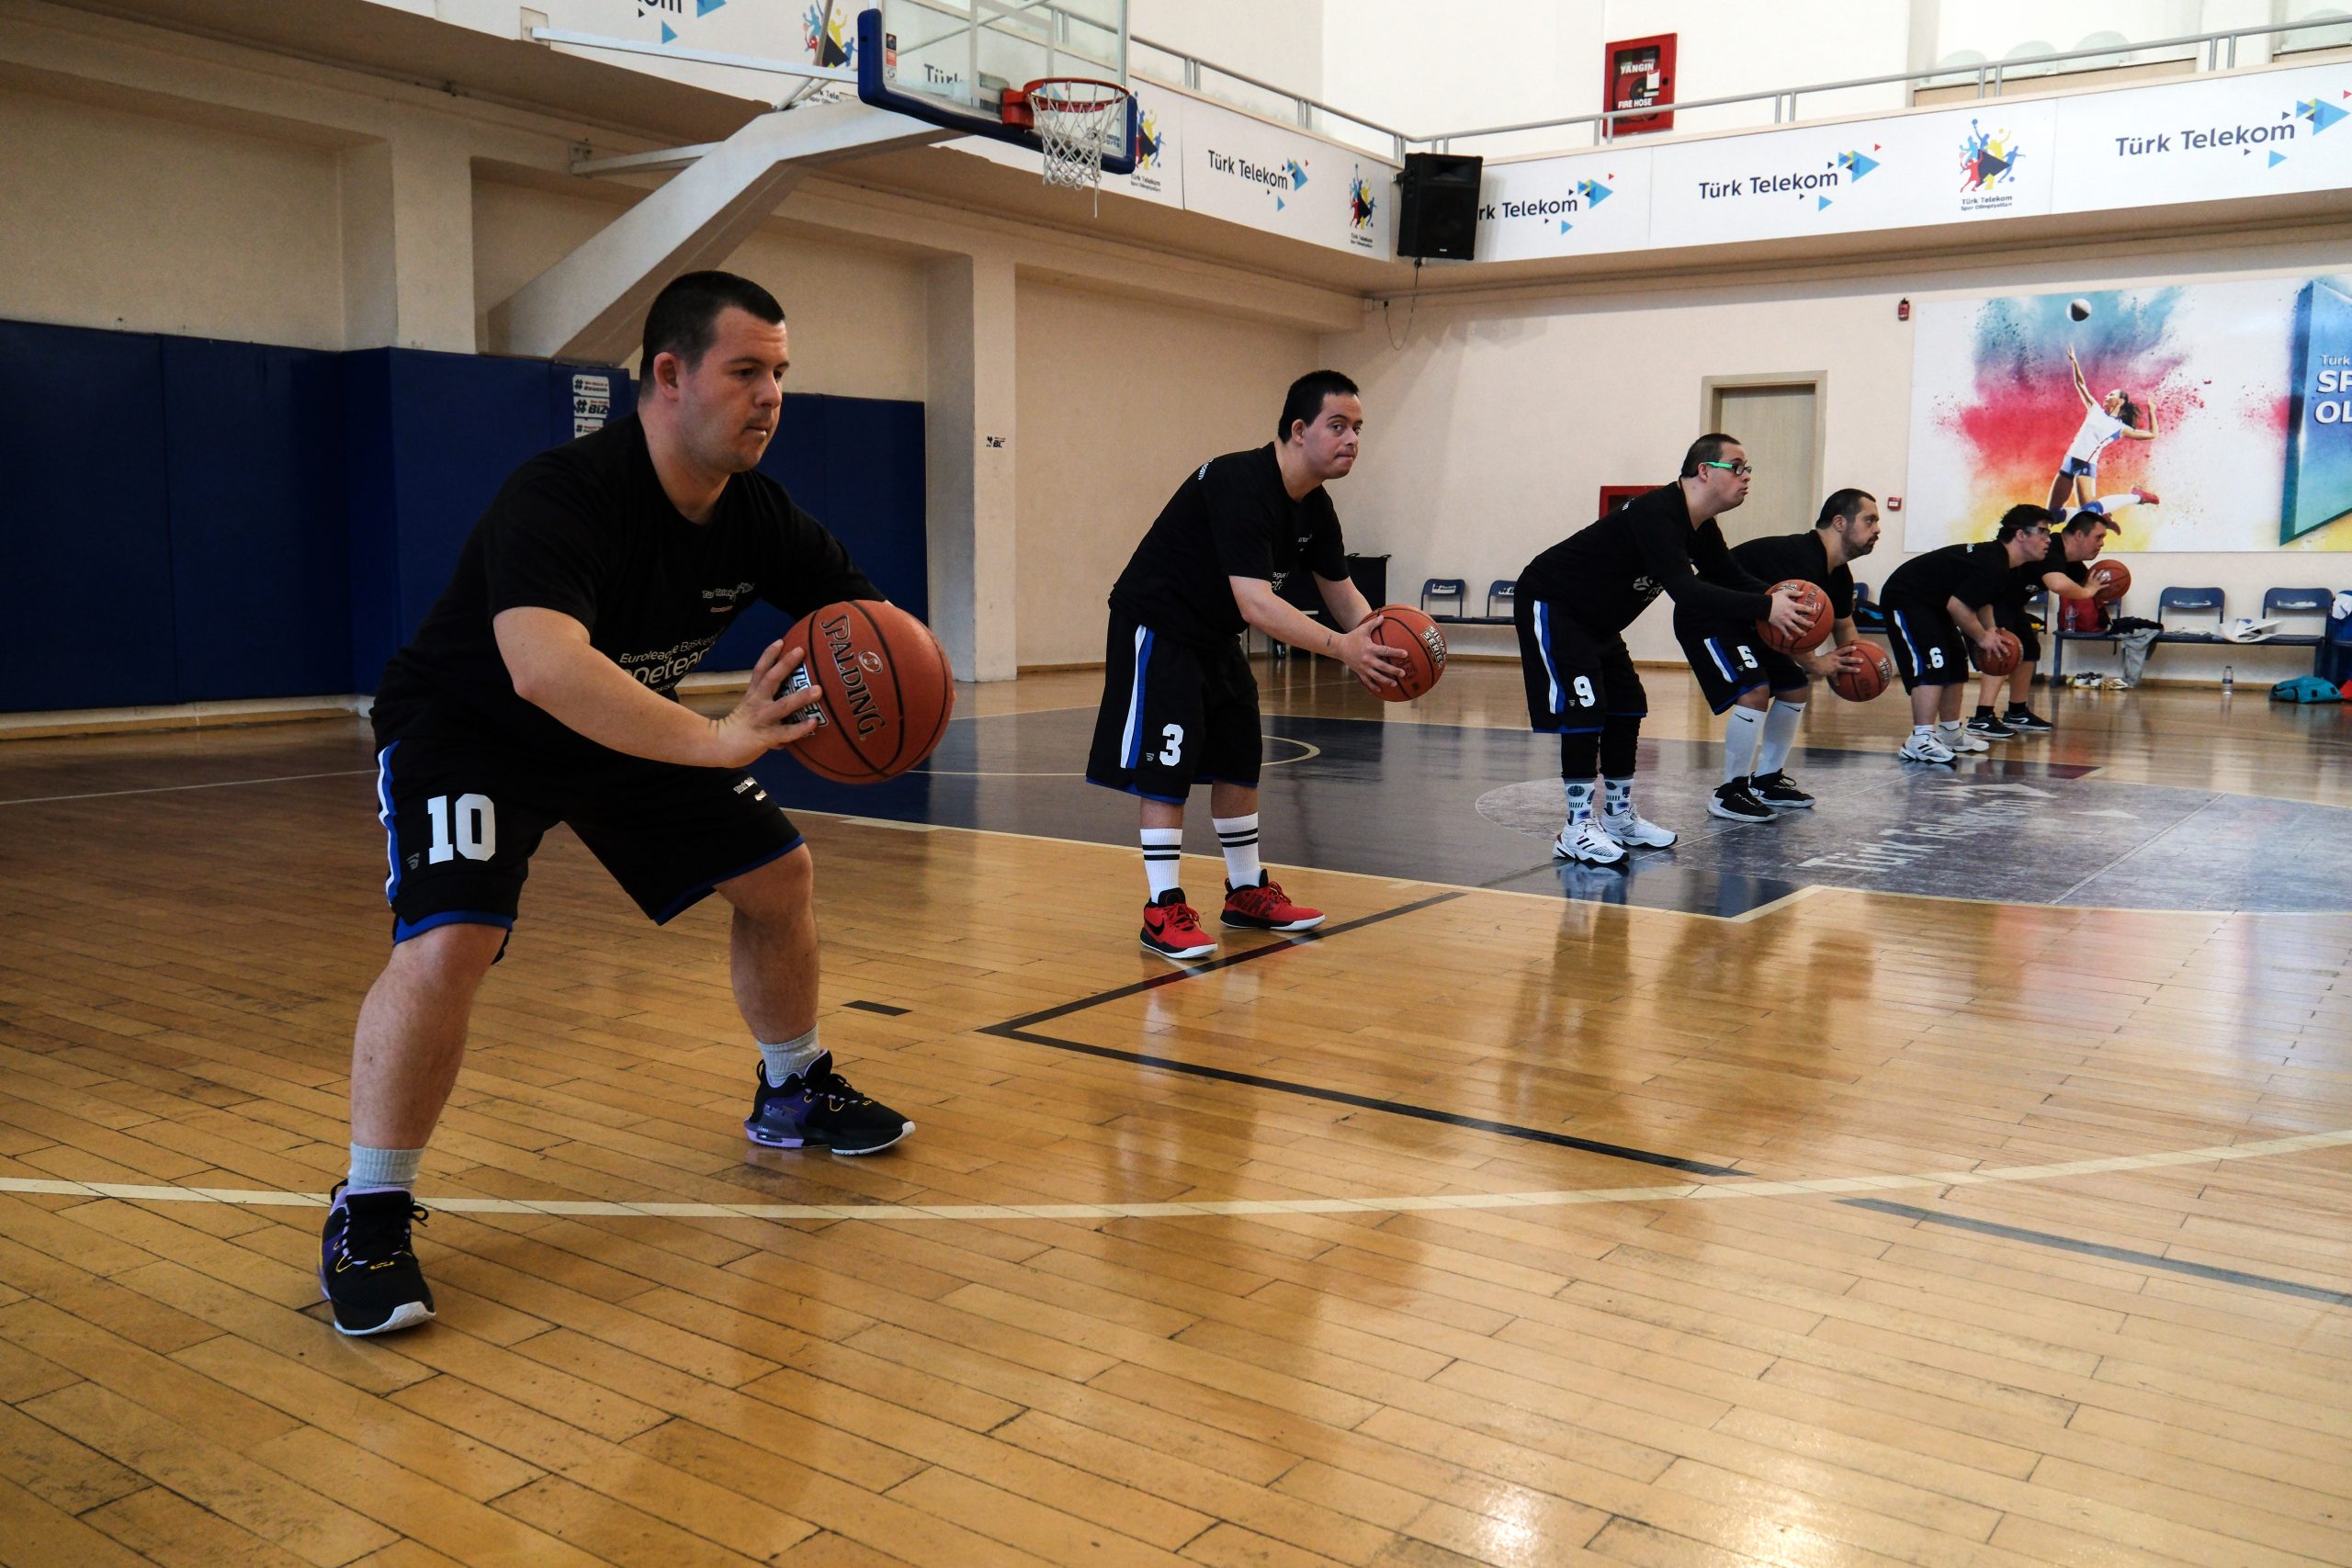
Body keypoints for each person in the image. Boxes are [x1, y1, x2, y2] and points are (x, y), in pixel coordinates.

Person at [322, 271, 914, 1337]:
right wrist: (719, 738)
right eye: (746, 372)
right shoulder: (562, 494)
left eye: (780, 374)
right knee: (451, 942)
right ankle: (369, 1207)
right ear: (670, 374)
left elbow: (866, 615)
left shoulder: (759, 514)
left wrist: (904, 672)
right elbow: (545, 669)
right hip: (476, 728)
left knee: (778, 875)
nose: (771, 396)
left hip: (623, 723)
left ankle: (792, 1089)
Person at [1084, 370, 1408, 962]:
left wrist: (1383, 644)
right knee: (1168, 762)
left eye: (1358, 428)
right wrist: (1344, 650)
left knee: (1239, 757)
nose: (1352, 440)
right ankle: (1163, 908)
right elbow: (1257, 604)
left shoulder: (1316, 508)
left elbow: (1341, 592)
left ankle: (1245, 892)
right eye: (1338, 426)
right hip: (1158, 623)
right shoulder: (1240, 481)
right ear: (1298, 430)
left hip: (1214, 634)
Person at [1514, 434, 1812, 865]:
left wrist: (1782, 599)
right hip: (1554, 603)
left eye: (1749, 469)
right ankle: (1576, 828)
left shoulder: (1701, 527)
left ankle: (1617, 818)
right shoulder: (1658, 512)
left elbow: (1727, 575)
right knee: (1586, 707)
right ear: (1704, 471)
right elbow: (1687, 592)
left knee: (1628, 705)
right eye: (1737, 466)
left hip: (1598, 620)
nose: (1747, 476)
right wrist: (1767, 606)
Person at [1673, 488, 1881, 821]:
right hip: (1707, 615)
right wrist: (1816, 663)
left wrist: (1853, 662)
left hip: (1751, 623)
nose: (1877, 530)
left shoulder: (1839, 574)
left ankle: (1767, 780)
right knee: (1755, 689)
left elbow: (1843, 626)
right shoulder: (1800, 556)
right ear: (1840, 522)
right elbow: (1791, 629)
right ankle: (1729, 792)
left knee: (1794, 686)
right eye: (1870, 520)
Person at [1879, 505, 2052, 763]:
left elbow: (1983, 601)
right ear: (2020, 535)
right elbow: (1958, 607)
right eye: (2042, 531)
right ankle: (1920, 738)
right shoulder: (1993, 563)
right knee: (1934, 661)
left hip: (1933, 603)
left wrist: (1991, 628)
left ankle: (1949, 732)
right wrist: (1982, 637)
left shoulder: (2003, 565)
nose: (2048, 539)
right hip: (1907, 598)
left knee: (1957, 660)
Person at [1969, 506, 2115, 738]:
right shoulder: (2052, 547)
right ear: (2079, 535)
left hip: (2011, 603)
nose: (2101, 544)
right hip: (1990, 600)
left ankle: (2017, 711)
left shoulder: (2072, 563)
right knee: (2001, 650)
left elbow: (2089, 586)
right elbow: (2058, 584)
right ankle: (1982, 716)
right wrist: (2088, 592)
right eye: (2098, 537)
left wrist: (2104, 587)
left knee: (2030, 649)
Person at [2047, 344, 2158, 515]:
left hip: (2085, 464)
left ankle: (2137, 497)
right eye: (2107, 395)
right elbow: (2080, 384)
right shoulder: (2095, 409)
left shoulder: (2121, 428)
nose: (2106, 396)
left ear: (2121, 401)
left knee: (2089, 511)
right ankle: (2103, 514)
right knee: (2052, 515)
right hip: (2069, 461)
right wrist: (2074, 362)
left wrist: (2151, 409)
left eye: (2111, 395)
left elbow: (2152, 434)